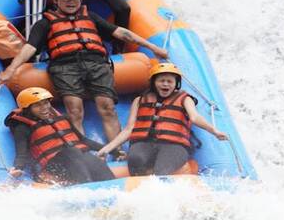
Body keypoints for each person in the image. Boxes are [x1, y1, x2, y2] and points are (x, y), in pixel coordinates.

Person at [0, 0, 169, 154]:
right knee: (74, 108)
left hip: (96, 63)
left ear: (81, 0)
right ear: (55, 0)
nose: (71, 1)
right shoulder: (45, 23)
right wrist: (11, 70)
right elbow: (30, 48)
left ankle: (116, 150)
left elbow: (121, 33)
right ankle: (82, 153)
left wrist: (154, 48)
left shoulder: (91, 17)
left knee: (107, 106)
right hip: (64, 66)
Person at [97, 63, 230, 176]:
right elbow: (129, 129)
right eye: (161, 81)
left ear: (176, 84)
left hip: (174, 146)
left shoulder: (185, 99)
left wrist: (215, 131)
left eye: (170, 81)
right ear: (154, 83)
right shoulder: (139, 100)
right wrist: (107, 149)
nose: (165, 84)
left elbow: (195, 117)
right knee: (137, 161)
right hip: (144, 144)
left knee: (161, 172)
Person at [5, 87, 115, 186]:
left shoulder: (62, 118)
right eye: (38, 105)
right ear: (27, 108)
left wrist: (113, 151)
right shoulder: (22, 128)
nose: (45, 108)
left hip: (76, 158)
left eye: (46, 103)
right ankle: (85, 185)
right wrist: (18, 168)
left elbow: (83, 140)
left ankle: (111, 187)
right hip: (54, 166)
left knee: (93, 160)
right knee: (72, 151)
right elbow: (21, 153)